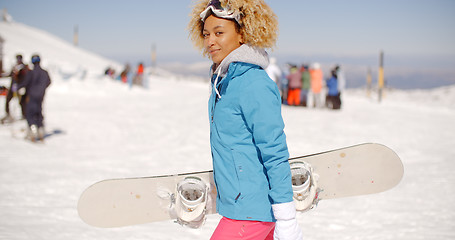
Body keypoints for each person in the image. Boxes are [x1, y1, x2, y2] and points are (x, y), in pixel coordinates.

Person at [188, 0, 303, 239]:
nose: (211, 41)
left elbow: (274, 150)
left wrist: (286, 216)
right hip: (240, 208)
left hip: (252, 212)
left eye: (219, 33)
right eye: (207, 34)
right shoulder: (225, 81)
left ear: (242, 33)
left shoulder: (253, 83)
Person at [17, 54, 51, 142]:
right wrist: (42, 89)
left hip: (31, 95)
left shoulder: (31, 72)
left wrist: (17, 87)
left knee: (30, 112)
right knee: (38, 111)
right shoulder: (44, 72)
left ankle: (33, 130)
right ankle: (40, 129)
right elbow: (49, 82)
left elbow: (25, 82)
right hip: (41, 95)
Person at [1, 54, 29, 123]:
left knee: (21, 102)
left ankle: (24, 115)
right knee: (8, 100)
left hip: (19, 87)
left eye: (19, 59)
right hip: (12, 86)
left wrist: (21, 86)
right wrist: (3, 75)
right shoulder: (15, 67)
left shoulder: (24, 67)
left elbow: (25, 77)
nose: (18, 60)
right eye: (17, 59)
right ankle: (8, 114)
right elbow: (10, 74)